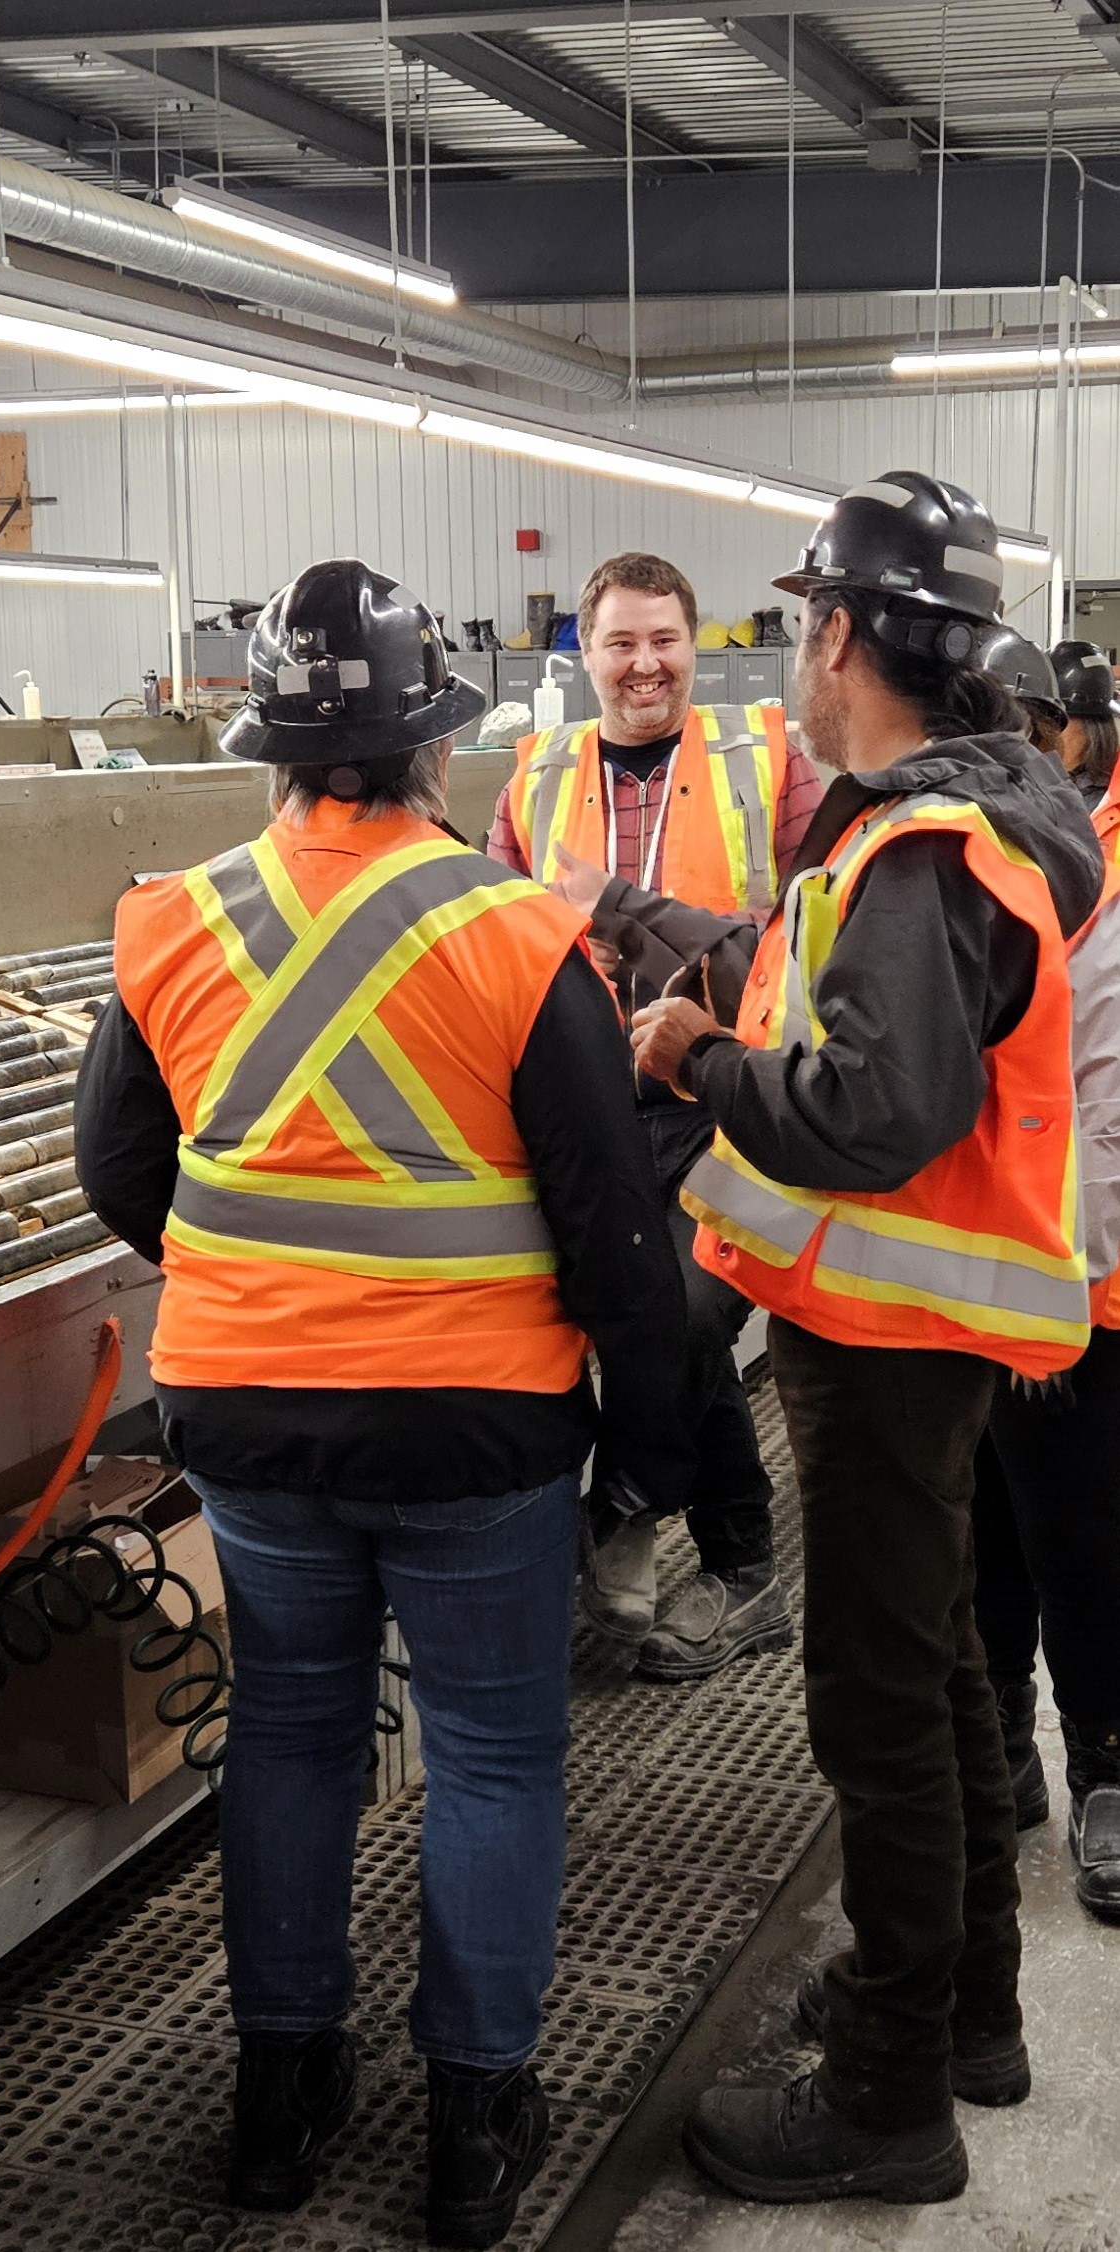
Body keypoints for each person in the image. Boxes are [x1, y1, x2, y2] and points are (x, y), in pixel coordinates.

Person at [74, 561, 690, 2249]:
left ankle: (280, 2097)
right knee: (489, 1750)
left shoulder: (168, 917)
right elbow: (607, 1223)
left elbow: (121, 1172)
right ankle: (468, 2126)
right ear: (435, 753)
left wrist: (271, 1283)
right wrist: (663, 1445)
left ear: (267, 756)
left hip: (248, 1417)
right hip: (475, 1431)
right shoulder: (513, 928)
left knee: (285, 1735)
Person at [630, 472, 1103, 2204]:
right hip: (926, 1330)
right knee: (946, 1675)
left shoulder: (917, 846)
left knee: (877, 1708)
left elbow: (866, 1108)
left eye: (792, 625)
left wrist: (689, 1062)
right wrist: (696, 956)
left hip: (890, 1338)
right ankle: (963, 2006)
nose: (786, 657)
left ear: (839, 632)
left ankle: (888, 2092)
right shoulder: (960, 816)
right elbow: (832, 994)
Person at [489, 551, 823, 1681]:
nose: (645, 665)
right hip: (583, 1098)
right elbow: (487, 928)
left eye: (664, 640)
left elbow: (813, 937)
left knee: (682, 1312)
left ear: (696, 644)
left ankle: (628, 1498)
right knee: (642, 1322)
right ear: (583, 654)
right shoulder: (533, 773)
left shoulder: (765, 761)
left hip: (719, 1093)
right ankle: (739, 1561)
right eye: (621, 643)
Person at [968, 624, 1120, 1923]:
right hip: (953, 1285)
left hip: (1076, 1294)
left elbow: (1101, 1125)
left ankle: (1103, 1775)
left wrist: (1054, 1291)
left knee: (1079, 1543)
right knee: (979, 1546)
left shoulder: (1096, 887)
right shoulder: (948, 876)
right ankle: (1005, 1744)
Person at [1048, 639, 1120, 812]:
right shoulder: (1028, 785)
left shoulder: (1107, 799)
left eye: (1056, 721)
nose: (1044, 735)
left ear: (1093, 728)